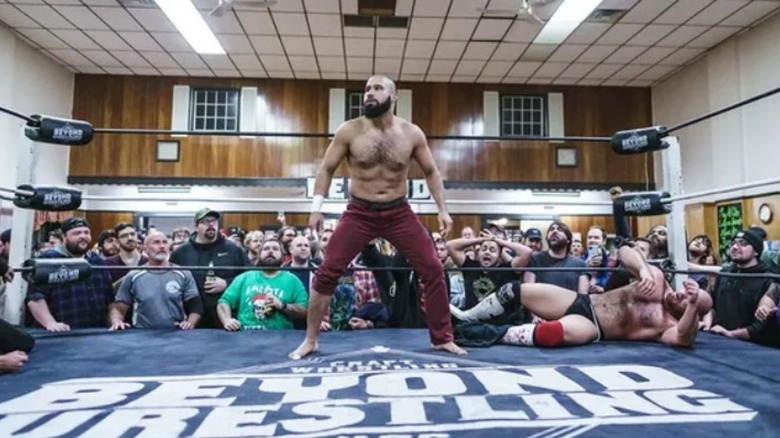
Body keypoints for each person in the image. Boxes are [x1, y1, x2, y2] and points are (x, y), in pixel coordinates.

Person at [289, 74, 465, 359]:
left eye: (377, 88)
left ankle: (442, 338)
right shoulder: (349, 131)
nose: (369, 93)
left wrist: (442, 209)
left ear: (393, 97)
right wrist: (316, 207)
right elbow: (326, 169)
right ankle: (310, 340)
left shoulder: (412, 133)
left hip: (399, 211)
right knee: (327, 270)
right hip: (359, 212)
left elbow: (432, 171)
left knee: (432, 267)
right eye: (367, 89)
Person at [450, 244, 712, 348]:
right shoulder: (656, 280)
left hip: (594, 327)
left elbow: (682, 339)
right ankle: (466, 315)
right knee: (516, 291)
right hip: (584, 302)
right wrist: (642, 269)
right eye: (683, 292)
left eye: (686, 299)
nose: (679, 294)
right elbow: (624, 251)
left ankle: (488, 333)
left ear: (687, 311)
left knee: (552, 334)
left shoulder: (668, 326)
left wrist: (691, 306)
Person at [109, 232, 203, 330]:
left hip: (176, 334)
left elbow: (195, 305)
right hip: (142, 334)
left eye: (165, 242)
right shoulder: (133, 276)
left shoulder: (183, 273)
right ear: (145, 249)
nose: (162, 246)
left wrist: (190, 323)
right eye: (156, 242)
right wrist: (117, 321)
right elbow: (118, 309)